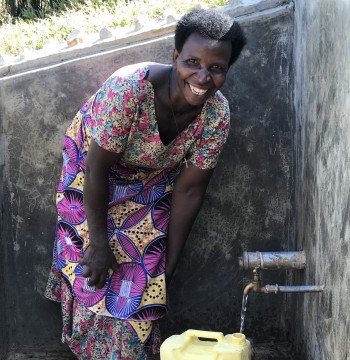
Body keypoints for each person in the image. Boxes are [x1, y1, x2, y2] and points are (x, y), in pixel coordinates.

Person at [45, 7, 246, 360]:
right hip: (90, 170)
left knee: (143, 281)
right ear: (174, 57)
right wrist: (99, 243)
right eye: (192, 62)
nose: (202, 77)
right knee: (95, 268)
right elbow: (96, 170)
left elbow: (189, 190)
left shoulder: (217, 115)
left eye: (216, 68)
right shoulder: (130, 90)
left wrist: (167, 264)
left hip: (150, 178)